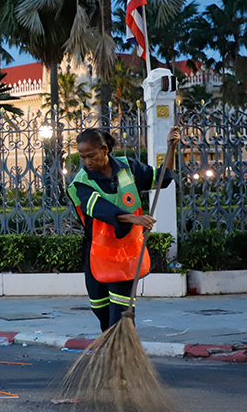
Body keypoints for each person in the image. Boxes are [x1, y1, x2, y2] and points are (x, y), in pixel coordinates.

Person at [66, 127, 179, 331]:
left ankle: (123, 356)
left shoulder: (129, 167)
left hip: (127, 255)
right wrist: (133, 218)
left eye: (91, 156)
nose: (87, 162)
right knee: (100, 310)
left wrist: (172, 148)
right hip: (97, 256)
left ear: (105, 149)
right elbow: (98, 208)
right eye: (83, 158)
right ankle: (114, 350)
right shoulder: (80, 183)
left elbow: (163, 178)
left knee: (121, 315)